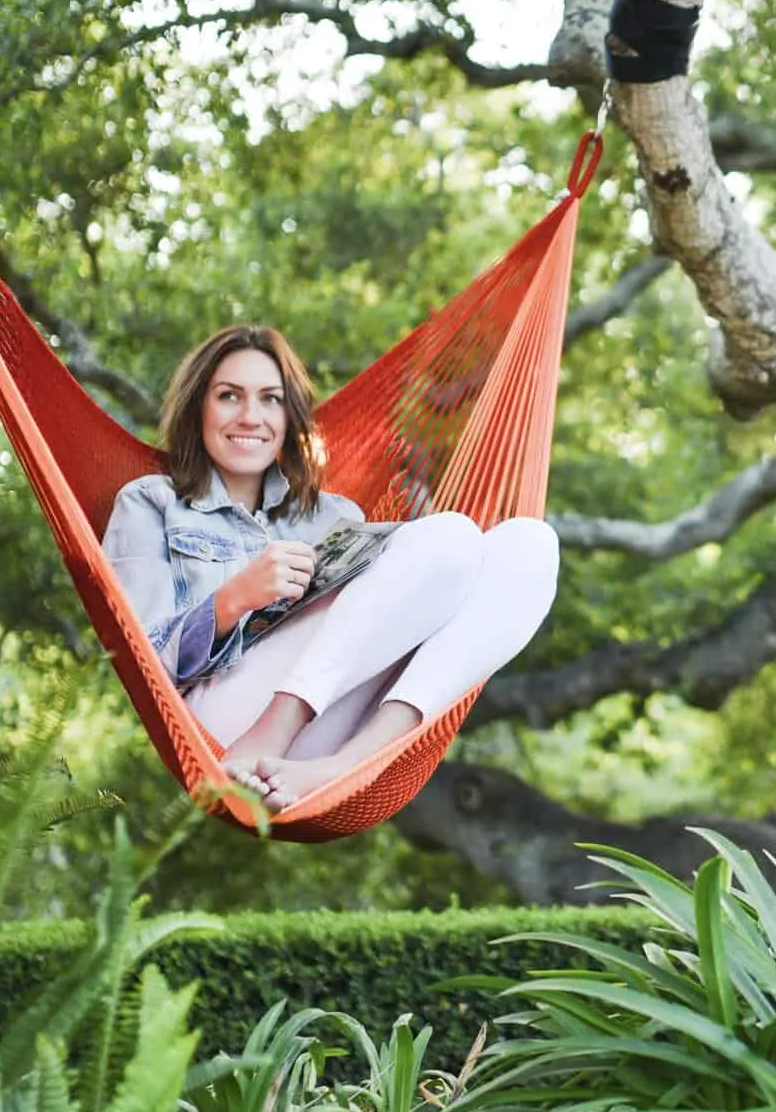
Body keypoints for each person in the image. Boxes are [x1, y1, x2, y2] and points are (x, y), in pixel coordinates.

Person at [101, 323, 560, 815]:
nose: (250, 416)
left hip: (337, 728)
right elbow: (139, 660)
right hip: (226, 726)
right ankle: (275, 730)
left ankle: (351, 766)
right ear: (198, 408)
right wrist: (233, 599)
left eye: (271, 400)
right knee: (450, 535)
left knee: (530, 543)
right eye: (229, 396)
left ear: (289, 415)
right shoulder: (152, 503)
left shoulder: (334, 516)